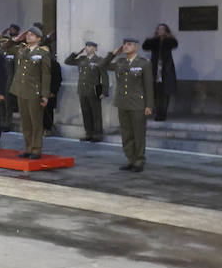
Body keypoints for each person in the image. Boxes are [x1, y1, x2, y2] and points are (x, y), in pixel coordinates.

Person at [102, 38, 154, 171]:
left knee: (138, 133)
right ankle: (131, 159)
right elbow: (102, 66)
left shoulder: (144, 63)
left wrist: (149, 105)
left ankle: (139, 160)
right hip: (122, 103)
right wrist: (113, 54)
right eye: (124, 44)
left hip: (138, 104)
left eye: (129, 44)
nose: (125, 46)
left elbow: (149, 86)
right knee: (126, 134)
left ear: (136, 47)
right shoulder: (120, 62)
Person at [10, 27, 52, 158]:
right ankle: (28, 147)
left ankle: (36, 149)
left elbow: (46, 75)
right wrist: (16, 39)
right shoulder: (22, 50)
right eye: (27, 35)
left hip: (34, 92)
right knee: (25, 121)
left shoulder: (43, 53)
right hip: (21, 90)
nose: (29, 37)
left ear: (39, 38)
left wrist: (45, 95)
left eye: (32, 35)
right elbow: (5, 48)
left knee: (36, 122)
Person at [65, 41, 107, 142]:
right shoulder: (81, 59)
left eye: (90, 46)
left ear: (95, 49)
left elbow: (105, 77)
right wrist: (76, 53)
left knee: (96, 114)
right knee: (86, 113)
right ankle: (89, 133)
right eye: (86, 46)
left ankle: (98, 134)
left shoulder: (99, 60)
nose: (87, 48)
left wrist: (105, 92)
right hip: (82, 90)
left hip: (93, 91)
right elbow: (67, 61)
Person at [141, 23, 178, 121]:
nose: (161, 31)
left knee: (165, 93)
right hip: (156, 70)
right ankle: (158, 113)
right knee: (156, 93)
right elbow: (145, 46)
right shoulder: (154, 41)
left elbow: (175, 44)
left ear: (166, 31)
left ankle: (164, 113)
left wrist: (169, 37)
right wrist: (150, 38)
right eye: (159, 29)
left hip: (166, 69)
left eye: (163, 29)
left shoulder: (169, 41)